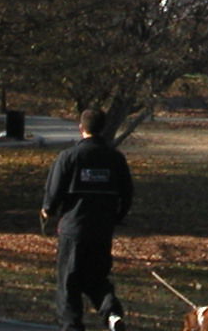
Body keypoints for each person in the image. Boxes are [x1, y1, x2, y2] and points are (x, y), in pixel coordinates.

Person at [42, 107, 133, 331]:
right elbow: (127, 193)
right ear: (103, 128)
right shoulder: (115, 158)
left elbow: (54, 192)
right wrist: (117, 216)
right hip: (102, 229)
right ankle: (111, 313)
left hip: (74, 229)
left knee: (69, 281)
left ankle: (72, 325)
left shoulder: (69, 157)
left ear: (81, 128)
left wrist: (48, 210)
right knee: (97, 277)